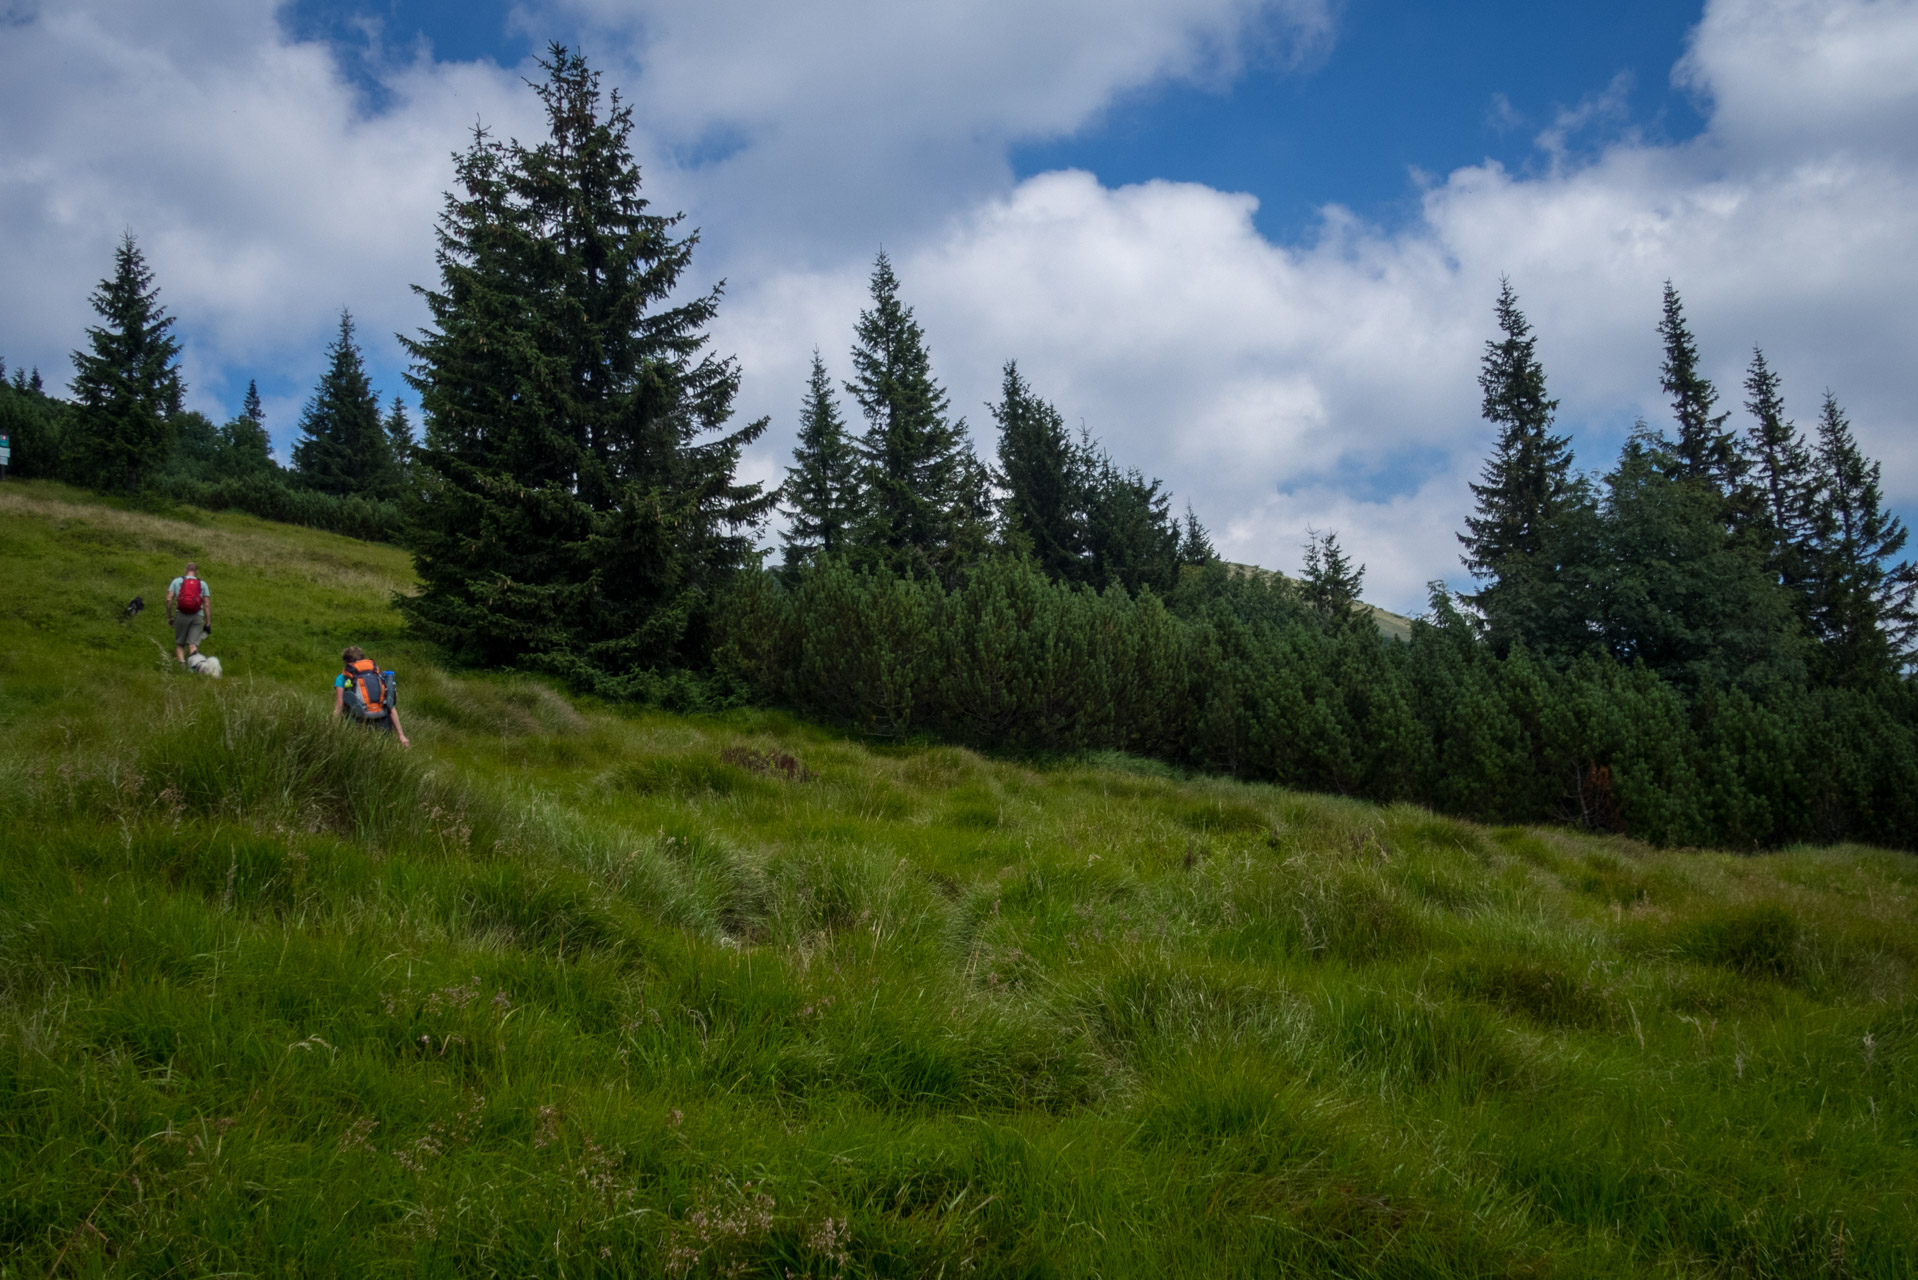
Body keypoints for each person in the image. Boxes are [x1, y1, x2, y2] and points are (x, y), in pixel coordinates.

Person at [333, 645, 411, 747]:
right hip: (382, 721)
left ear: (346, 662)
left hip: (358, 723)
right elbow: (390, 707)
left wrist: (333, 732)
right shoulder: (376, 675)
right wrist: (401, 735)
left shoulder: (342, 678)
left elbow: (339, 707)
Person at [166, 562, 211, 665]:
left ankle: (181, 666)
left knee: (180, 644)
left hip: (181, 614)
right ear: (197, 572)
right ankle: (194, 667)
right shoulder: (203, 584)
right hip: (197, 616)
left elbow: (168, 599)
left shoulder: (176, 581)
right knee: (193, 644)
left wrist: (169, 616)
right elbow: (207, 605)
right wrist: (208, 622)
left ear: (185, 570)